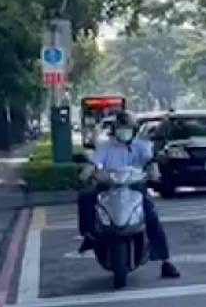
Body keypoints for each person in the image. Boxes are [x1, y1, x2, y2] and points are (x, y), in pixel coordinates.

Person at [76, 111, 180, 279]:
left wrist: (154, 173)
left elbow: (150, 162)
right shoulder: (106, 147)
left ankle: (165, 261)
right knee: (86, 198)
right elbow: (93, 163)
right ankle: (89, 235)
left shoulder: (142, 146)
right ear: (114, 130)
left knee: (151, 217)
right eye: (120, 128)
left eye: (128, 128)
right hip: (109, 190)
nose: (124, 131)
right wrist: (85, 174)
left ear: (134, 130)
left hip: (135, 189)